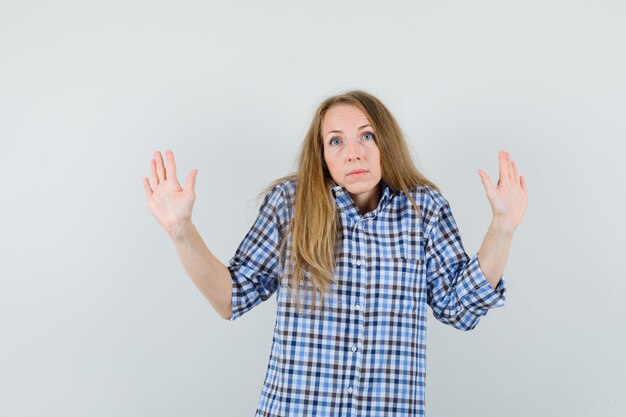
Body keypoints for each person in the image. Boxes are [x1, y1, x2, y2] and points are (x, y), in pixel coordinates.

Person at [143, 90, 528, 417]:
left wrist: (502, 228)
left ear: (386, 144)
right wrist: (181, 232)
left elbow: (459, 308)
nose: (354, 153)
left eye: (367, 136)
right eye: (336, 141)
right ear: (323, 154)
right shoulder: (290, 204)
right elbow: (231, 297)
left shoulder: (423, 208)